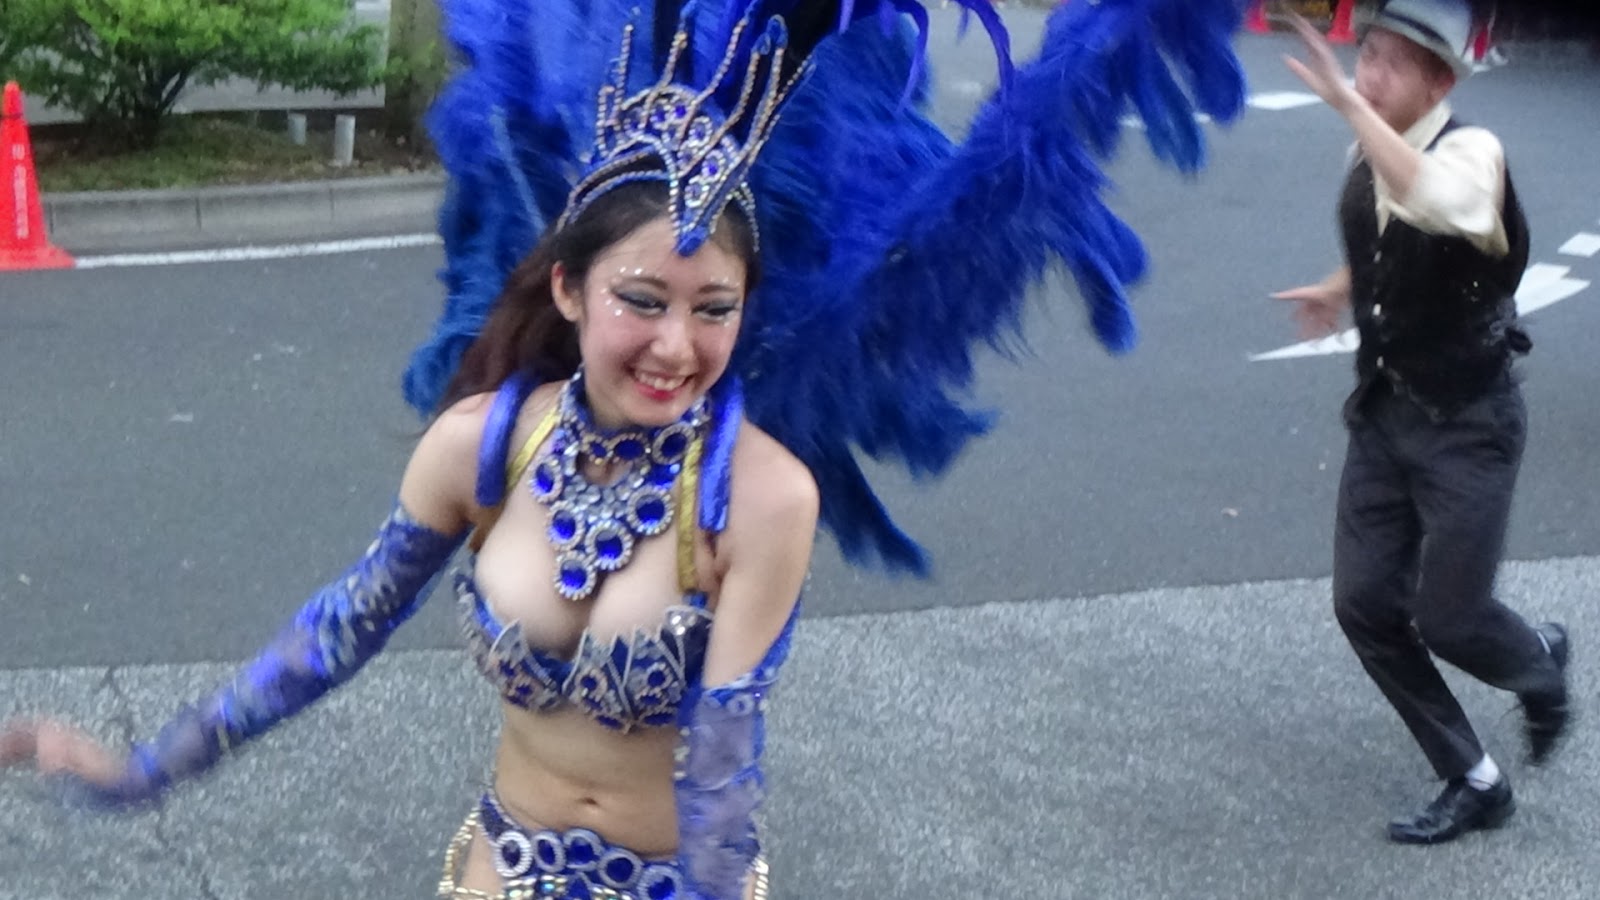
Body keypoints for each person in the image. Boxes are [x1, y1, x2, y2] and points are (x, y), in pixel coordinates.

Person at [1, 0, 1248, 896]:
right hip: (499, 872)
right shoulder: (481, 446)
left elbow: (722, 772)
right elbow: (335, 634)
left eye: (715, 310)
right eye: (641, 301)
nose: (676, 345)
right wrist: (141, 768)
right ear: (567, 289)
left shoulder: (762, 495)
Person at [1275, 0, 1571, 845]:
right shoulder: (1372, 146)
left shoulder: (1475, 152)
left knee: (1451, 618)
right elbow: (1387, 230)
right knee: (1364, 603)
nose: (1369, 74)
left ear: (1440, 82)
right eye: (1365, 55)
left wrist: (1348, 103)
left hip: (1469, 421)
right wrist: (1339, 287)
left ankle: (1537, 665)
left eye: (1392, 64)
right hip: (1385, 412)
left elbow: (1437, 202)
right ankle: (1474, 777)